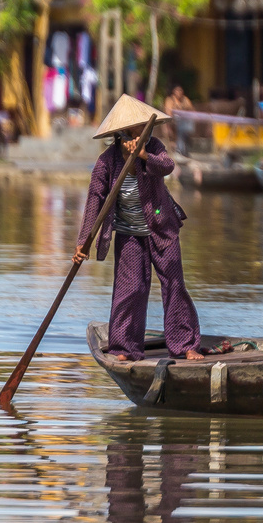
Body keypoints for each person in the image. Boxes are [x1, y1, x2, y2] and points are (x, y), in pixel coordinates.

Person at [75, 95, 204, 362]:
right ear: (122, 134)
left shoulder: (154, 147)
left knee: (174, 284)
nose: (141, 134)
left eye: (144, 128)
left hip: (162, 229)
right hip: (129, 234)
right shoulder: (107, 162)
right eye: (135, 130)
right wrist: (83, 243)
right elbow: (94, 202)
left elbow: (167, 166)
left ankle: (185, 344)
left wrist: (144, 156)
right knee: (131, 289)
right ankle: (124, 347)